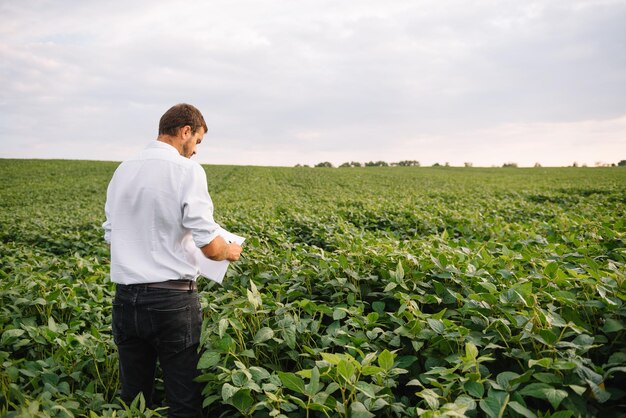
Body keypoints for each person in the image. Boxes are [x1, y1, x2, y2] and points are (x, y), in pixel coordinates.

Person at [102, 103, 242, 417]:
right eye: (198, 142)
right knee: (183, 400)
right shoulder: (186, 170)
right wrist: (228, 250)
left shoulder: (123, 169)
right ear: (185, 132)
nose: (195, 151)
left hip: (125, 300)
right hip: (172, 302)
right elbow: (209, 245)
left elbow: (112, 233)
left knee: (134, 401)